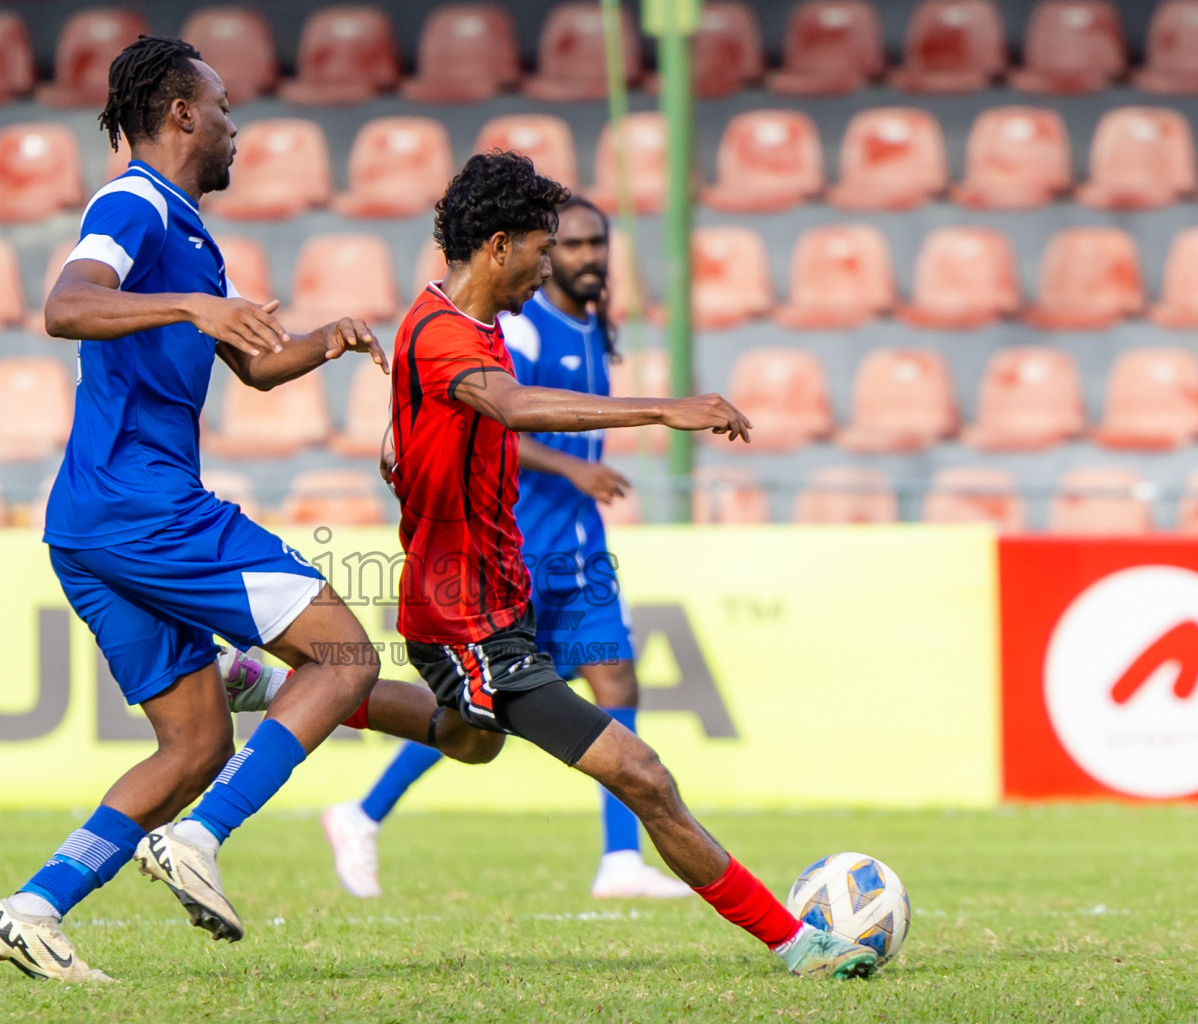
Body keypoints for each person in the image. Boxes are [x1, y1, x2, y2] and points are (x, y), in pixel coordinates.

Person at [0, 37, 495, 984]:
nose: (234, 127)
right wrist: (191, 308)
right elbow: (65, 304)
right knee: (341, 656)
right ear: (180, 114)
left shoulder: (192, 238)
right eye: (221, 107)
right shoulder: (133, 202)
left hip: (93, 522)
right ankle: (200, 838)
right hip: (145, 507)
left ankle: (33, 907)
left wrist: (316, 343)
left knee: (198, 741)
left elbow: (249, 368)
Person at [376, 151, 878, 980]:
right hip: (465, 617)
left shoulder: (466, 325)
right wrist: (661, 408)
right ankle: (798, 944)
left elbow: (433, 432)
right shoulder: (443, 333)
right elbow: (508, 406)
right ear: (498, 246)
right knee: (642, 773)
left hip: (501, 602)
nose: (548, 268)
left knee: (467, 742)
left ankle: (297, 690)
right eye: (541, 251)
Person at [323, 196, 689, 900]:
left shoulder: (589, 329)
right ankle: (362, 812)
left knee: (613, 681)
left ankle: (619, 862)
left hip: (580, 547)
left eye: (593, 245)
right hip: (520, 549)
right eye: (568, 245)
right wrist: (575, 464)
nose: (583, 258)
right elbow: (497, 418)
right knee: (483, 714)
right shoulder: (518, 330)